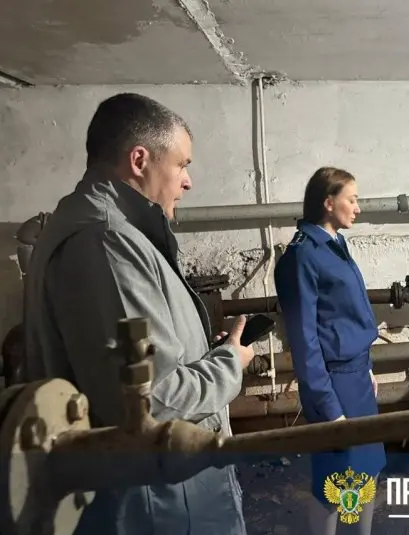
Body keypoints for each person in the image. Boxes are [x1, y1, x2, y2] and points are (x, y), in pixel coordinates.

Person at [22, 93, 254, 535]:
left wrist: (203, 353)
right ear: (139, 159)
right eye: (182, 164)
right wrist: (230, 364)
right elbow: (153, 402)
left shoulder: (114, 231)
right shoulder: (105, 242)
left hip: (163, 498)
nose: (188, 181)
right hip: (161, 507)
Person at [274, 167, 385, 535]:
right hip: (333, 383)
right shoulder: (303, 256)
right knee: (335, 482)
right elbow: (304, 340)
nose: (357, 207)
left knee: (365, 469)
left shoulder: (334, 244)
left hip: (356, 377)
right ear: (328, 202)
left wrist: (367, 367)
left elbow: (348, 316)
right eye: (351, 199)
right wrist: (328, 405)